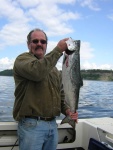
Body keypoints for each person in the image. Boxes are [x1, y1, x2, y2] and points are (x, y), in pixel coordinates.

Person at [13, 28, 78, 150]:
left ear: (46, 45)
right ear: (28, 44)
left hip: (52, 125)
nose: (39, 44)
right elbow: (37, 72)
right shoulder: (22, 60)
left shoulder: (54, 70)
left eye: (43, 42)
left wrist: (68, 111)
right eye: (35, 41)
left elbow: (61, 96)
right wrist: (58, 49)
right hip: (31, 126)